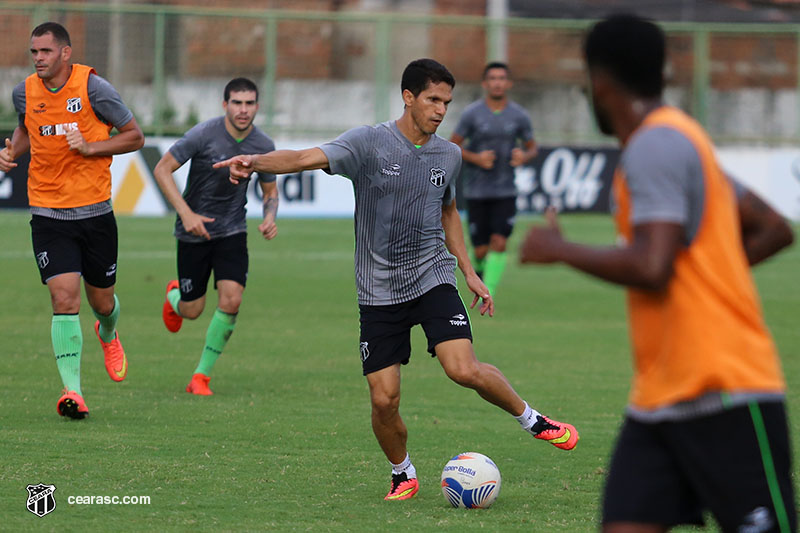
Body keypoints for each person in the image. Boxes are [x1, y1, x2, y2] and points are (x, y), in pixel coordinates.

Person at [214, 58, 578, 501]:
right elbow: (304, 157)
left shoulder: (450, 154)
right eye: (433, 99)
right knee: (384, 400)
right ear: (408, 97)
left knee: (462, 368)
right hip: (378, 289)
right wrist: (254, 161)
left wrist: (467, 269)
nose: (442, 109)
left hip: (432, 275)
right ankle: (402, 472)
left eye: (447, 101)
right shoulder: (368, 143)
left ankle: (533, 420)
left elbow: (448, 211)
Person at [520, 15, 796, 532]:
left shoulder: (656, 144)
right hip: (659, 398)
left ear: (599, 83)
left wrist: (561, 248)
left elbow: (652, 265)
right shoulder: (682, 139)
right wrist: (712, 273)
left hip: (728, 389)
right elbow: (773, 227)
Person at [0, 22, 144, 419]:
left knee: (102, 302)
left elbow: (135, 136)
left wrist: (92, 146)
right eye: (34, 52)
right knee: (64, 297)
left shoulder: (95, 89)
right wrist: (11, 150)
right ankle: (73, 392)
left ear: (65, 53)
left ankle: (109, 332)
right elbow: (27, 129)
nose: (38, 59)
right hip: (47, 212)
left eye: (45, 52)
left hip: (96, 213)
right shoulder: (24, 92)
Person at [153, 77, 278, 396]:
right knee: (192, 311)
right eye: (237, 102)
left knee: (232, 300)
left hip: (232, 231)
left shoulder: (263, 145)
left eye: (250, 103)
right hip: (193, 232)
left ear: (257, 107)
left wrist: (269, 218)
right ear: (225, 105)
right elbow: (162, 169)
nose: (243, 109)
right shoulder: (203, 134)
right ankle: (174, 296)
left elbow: (269, 190)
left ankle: (200, 377)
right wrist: (186, 214)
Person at [450, 62, 537, 295]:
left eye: (501, 78)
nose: (497, 82)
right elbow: (453, 145)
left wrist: (523, 156)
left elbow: (532, 148)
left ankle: (490, 291)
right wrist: (476, 158)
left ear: (508, 84)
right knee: (480, 250)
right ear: (485, 84)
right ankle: (478, 270)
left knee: (500, 242)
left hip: (505, 190)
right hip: (477, 190)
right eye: (493, 78)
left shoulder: (519, 115)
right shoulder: (472, 114)